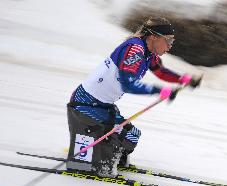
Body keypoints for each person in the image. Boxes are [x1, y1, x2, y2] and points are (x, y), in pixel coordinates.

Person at [66, 17, 202, 177]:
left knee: (133, 135)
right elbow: (128, 84)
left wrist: (183, 79)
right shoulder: (135, 50)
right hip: (86, 104)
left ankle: (115, 160)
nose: (170, 46)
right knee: (127, 136)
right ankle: (102, 167)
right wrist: (160, 91)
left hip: (102, 104)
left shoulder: (148, 52)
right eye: (168, 40)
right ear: (153, 37)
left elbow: (160, 72)